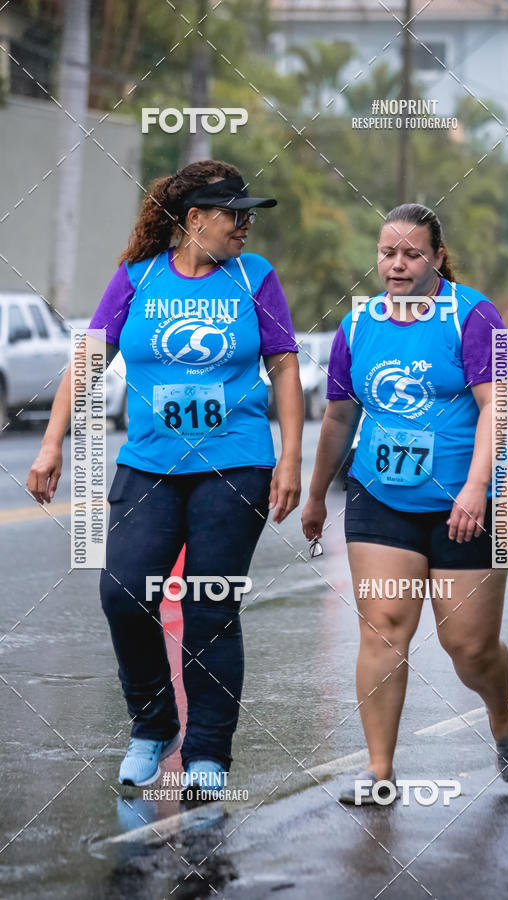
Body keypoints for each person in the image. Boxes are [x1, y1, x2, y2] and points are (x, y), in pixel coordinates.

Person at [27, 160, 303, 790]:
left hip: (235, 464)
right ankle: (153, 725)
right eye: (236, 215)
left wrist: (289, 458)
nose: (246, 227)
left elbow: (285, 367)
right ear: (196, 219)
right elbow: (89, 360)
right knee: (123, 593)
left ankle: (207, 752)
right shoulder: (137, 278)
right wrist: (50, 444)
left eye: (249, 216)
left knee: (210, 604)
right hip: (150, 463)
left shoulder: (255, 277)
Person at [301, 203, 508, 804]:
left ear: (436, 257)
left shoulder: (474, 316)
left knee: (468, 647)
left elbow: (497, 409)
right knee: (382, 631)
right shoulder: (359, 325)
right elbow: (338, 418)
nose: (396, 265)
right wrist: (316, 493)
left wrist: (479, 488)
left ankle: (502, 712)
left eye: (411, 254)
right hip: (381, 497)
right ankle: (380, 774)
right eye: (387, 253)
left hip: (470, 501)